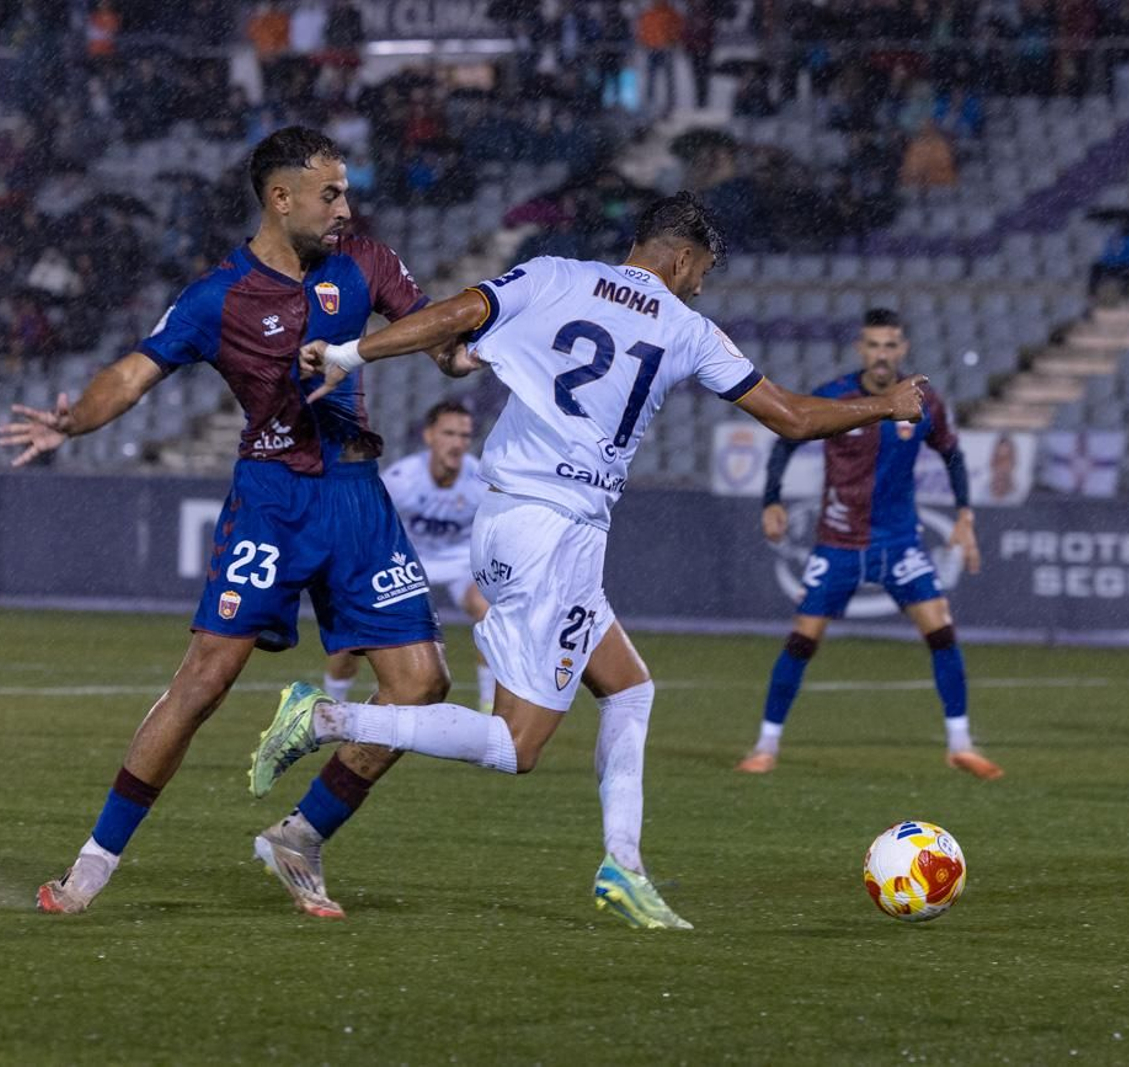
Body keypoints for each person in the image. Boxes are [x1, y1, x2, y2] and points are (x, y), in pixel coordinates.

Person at [248, 192, 931, 929]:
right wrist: (884, 405)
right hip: (555, 532)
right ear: (680, 259)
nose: (701, 287)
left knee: (629, 688)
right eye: (702, 271)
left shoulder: (555, 275)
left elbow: (452, 315)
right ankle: (327, 716)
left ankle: (623, 867)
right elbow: (792, 416)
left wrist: (351, 352)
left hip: (509, 515)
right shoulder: (687, 328)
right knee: (515, 746)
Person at [1, 127, 457, 919]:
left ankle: (300, 835)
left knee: (422, 684)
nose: (345, 208)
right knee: (205, 681)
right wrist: (75, 421)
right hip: (272, 499)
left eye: (346, 192)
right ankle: (94, 863)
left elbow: (439, 338)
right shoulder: (218, 296)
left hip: (357, 495)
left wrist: (468, 347)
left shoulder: (367, 263)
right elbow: (133, 373)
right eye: (330, 194)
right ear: (280, 198)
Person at [735, 309, 1002, 781]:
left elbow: (952, 454)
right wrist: (772, 499)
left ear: (903, 350)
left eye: (890, 345)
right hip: (838, 542)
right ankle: (766, 746)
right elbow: (786, 440)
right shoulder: (834, 396)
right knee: (802, 640)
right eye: (874, 345)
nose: (882, 354)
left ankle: (960, 744)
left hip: (899, 541)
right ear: (861, 349)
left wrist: (964, 512)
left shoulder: (924, 401)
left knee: (941, 631)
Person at [323, 399, 496, 713]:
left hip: (460, 563)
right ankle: (333, 704)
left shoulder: (480, 480)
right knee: (354, 629)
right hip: (407, 562)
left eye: (464, 436)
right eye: (449, 433)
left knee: (490, 612)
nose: (457, 443)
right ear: (429, 436)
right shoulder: (402, 479)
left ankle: (488, 704)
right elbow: (367, 522)